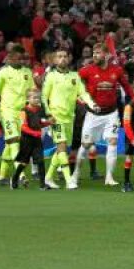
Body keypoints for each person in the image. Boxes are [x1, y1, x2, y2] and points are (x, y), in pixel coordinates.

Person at [77, 42, 132, 185]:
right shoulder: (86, 70)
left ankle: (109, 177)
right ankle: (75, 174)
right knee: (86, 145)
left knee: (112, 142)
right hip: (93, 114)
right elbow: (74, 82)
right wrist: (79, 96)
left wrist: (133, 101)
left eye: (98, 53)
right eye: (94, 53)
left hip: (111, 114)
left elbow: (126, 86)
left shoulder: (117, 70)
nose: (95, 55)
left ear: (107, 55)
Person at [42, 48, 96, 189]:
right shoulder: (51, 76)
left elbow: (83, 93)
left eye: (65, 56)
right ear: (54, 60)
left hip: (69, 118)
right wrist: (48, 113)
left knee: (62, 148)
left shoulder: (75, 76)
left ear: (69, 58)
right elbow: (43, 97)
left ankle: (48, 178)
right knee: (61, 146)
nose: (63, 59)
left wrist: (92, 104)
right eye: (59, 56)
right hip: (55, 117)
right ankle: (69, 180)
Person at [0, 43, 35, 185]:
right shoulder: (3, 72)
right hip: (7, 111)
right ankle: (21, 174)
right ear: (10, 58)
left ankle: (1, 175)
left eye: (22, 58)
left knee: (10, 144)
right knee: (14, 141)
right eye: (17, 58)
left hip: (22, 113)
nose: (21, 61)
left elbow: (32, 91)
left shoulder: (27, 72)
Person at [12, 88, 51, 190]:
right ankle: (15, 178)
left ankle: (42, 185)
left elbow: (39, 124)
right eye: (34, 97)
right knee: (24, 162)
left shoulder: (39, 110)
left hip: (36, 140)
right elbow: (23, 127)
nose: (37, 100)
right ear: (28, 98)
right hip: (26, 140)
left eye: (38, 98)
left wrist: (48, 123)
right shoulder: (24, 111)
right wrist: (35, 133)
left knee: (40, 161)